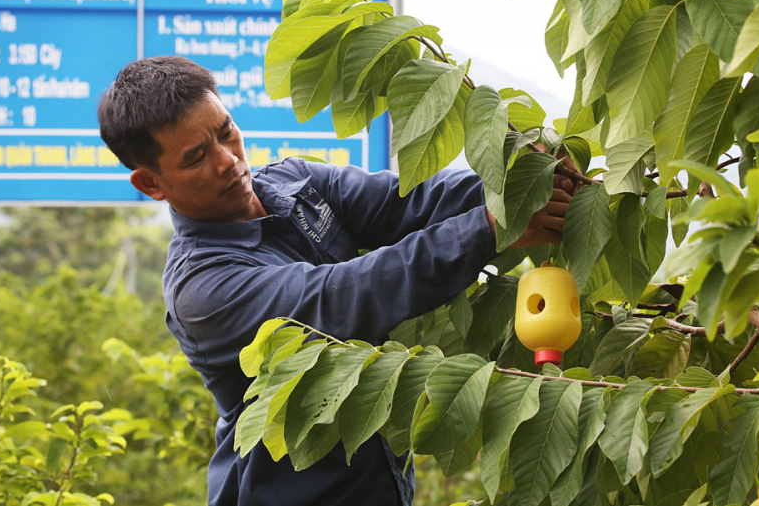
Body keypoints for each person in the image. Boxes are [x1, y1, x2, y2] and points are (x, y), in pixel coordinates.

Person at [97, 55, 576, 506]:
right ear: (152, 183)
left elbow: (408, 204)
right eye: (196, 157)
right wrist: (491, 228)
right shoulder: (203, 290)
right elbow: (345, 295)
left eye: (227, 133)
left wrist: (523, 179)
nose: (227, 160)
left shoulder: (293, 181)